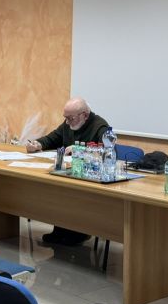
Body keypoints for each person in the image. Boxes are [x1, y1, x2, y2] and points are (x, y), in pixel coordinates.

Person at [25, 97, 110, 245]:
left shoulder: (100, 126)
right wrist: (37, 144)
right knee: (58, 189)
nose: (67, 122)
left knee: (72, 192)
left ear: (85, 115)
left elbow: (108, 152)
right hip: (68, 173)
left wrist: (80, 150)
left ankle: (79, 232)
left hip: (90, 178)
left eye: (71, 118)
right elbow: (52, 138)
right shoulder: (68, 124)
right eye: (65, 118)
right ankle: (60, 229)